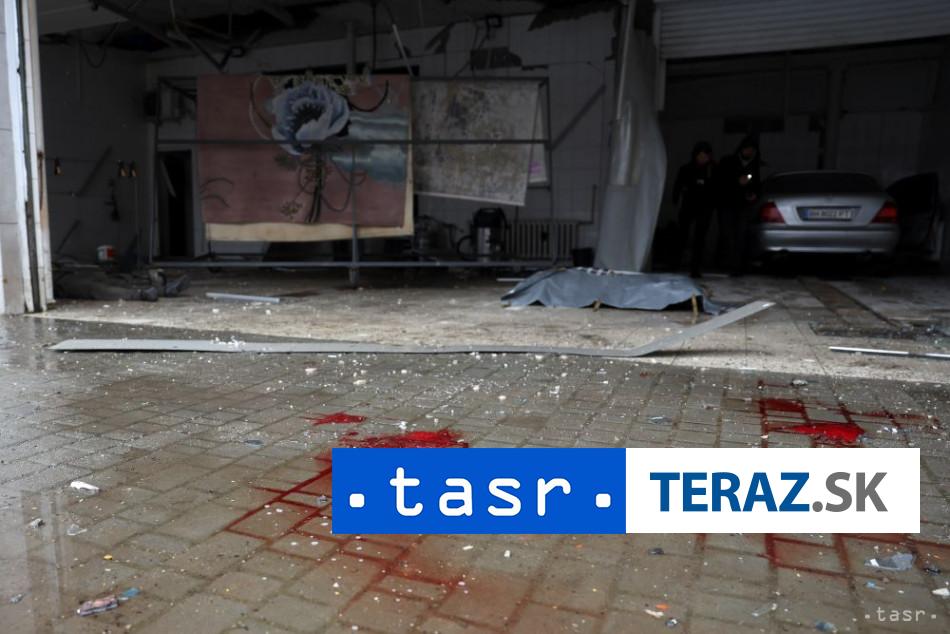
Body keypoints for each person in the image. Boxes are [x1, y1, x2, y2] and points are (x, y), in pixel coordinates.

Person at [716, 134, 763, 275]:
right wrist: (737, 182)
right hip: (727, 204)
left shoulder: (754, 165)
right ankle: (727, 263)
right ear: (741, 149)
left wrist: (753, 194)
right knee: (727, 234)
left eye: (752, 150)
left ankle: (736, 267)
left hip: (743, 206)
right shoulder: (728, 161)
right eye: (747, 149)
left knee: (741, 235)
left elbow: (756, 186)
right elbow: (720, 180)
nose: (749, 152)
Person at [672, 141, 717, 277]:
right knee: (682, 236)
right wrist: (675, 199)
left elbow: (719, 188)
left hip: (705, 208)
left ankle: (695, 268)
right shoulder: (686, 169)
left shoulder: (713, 170)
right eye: (700, 155)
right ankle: (675, 264)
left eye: (705, 156)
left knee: (700, 238)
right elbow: (678, 186)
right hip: (688, 206)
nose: (702, 158)